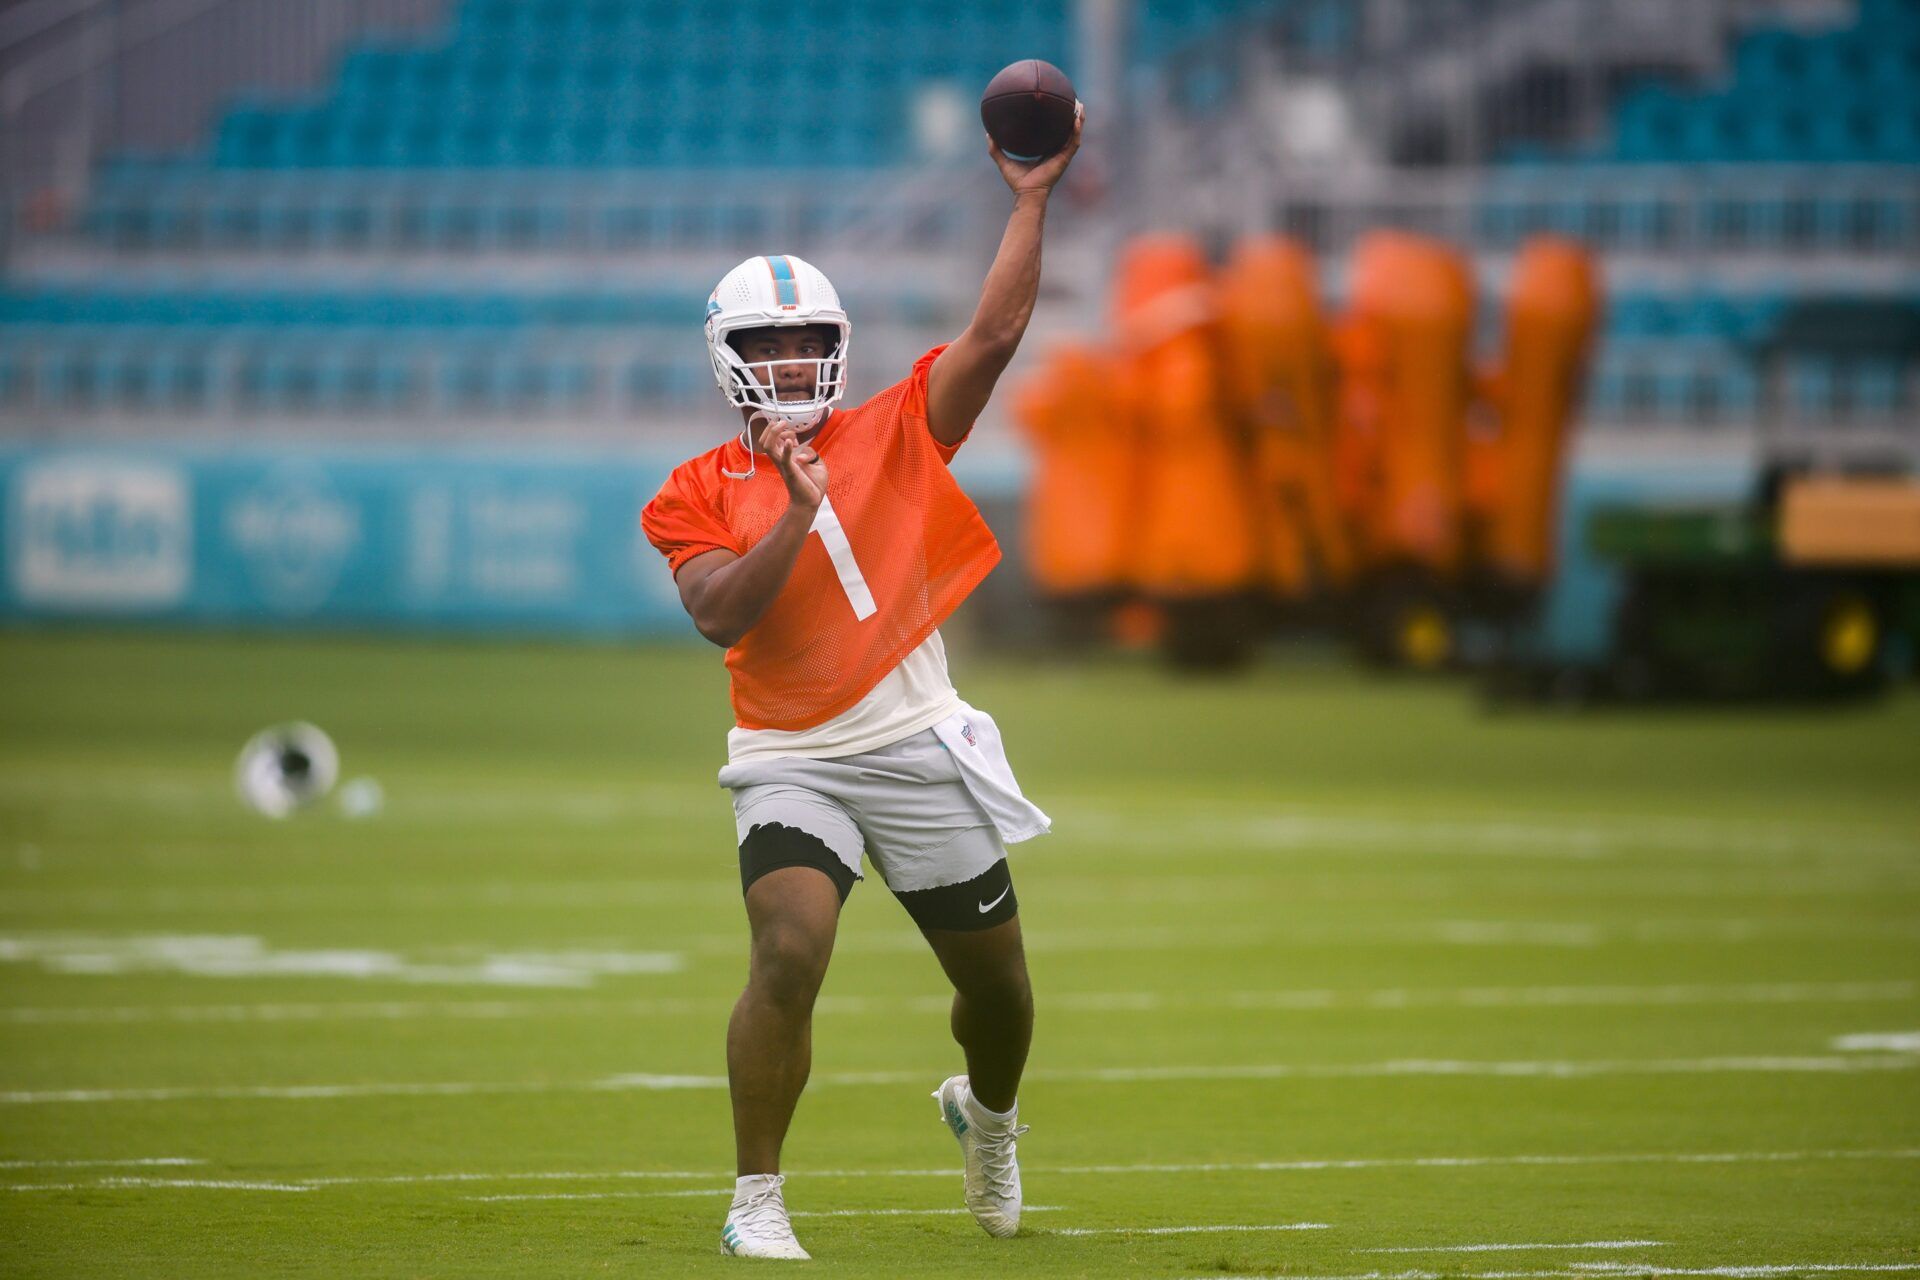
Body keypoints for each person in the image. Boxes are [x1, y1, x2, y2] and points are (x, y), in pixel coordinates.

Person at [641, 107, 1084, 1261]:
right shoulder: (693, 488)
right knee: (788, 951)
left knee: (1003, 995)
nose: (791, 363)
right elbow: (719, 611)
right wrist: (795, 513)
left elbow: (992, 335)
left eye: (808, 342)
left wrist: (1031, 198)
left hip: (920, 737)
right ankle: (755, 1198)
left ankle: (987, 1118)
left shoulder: (893, 428)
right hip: (793, 756)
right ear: (731, 358)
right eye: (769, 346)